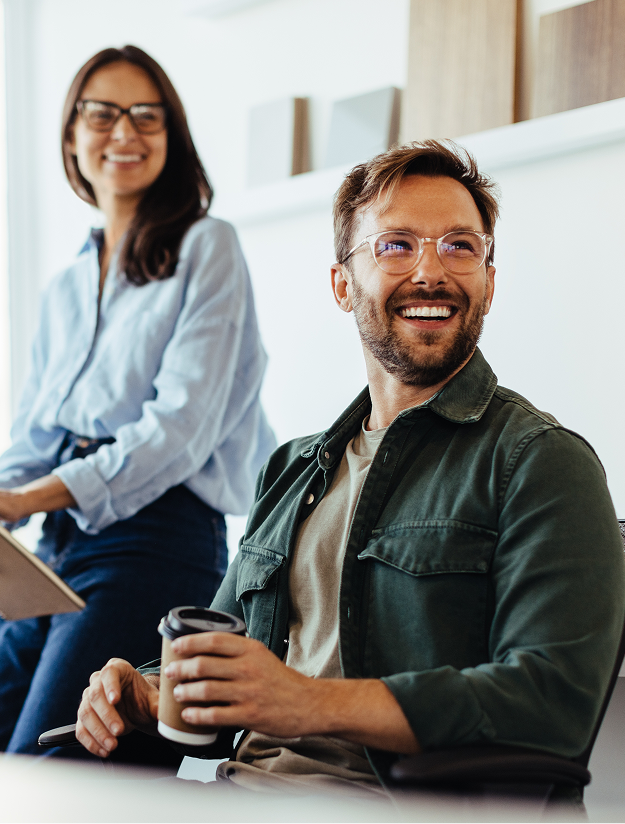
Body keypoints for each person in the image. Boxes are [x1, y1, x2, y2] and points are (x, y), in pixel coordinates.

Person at [76, 141, 624, 796]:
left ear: (488, 281)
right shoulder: (292, 467)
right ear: (342, 285)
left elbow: (550, 705)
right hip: (232, 796)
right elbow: (225, 678)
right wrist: (144, 693)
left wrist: (306, 701)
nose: (431, 272)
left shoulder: (540, 462)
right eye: (395, 245)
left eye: (459, 246)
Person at [0, 45, 275, 755]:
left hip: (154, 545)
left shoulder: (207, 247)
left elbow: (177, 432)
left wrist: (25, 501)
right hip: (57, 550)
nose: (124, 132)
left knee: (50, 765)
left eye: (145, 116)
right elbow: (32, 439)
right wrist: (8, 494)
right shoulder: (64, 286)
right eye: (102, 114)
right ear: (71, 137)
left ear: (171, 136)